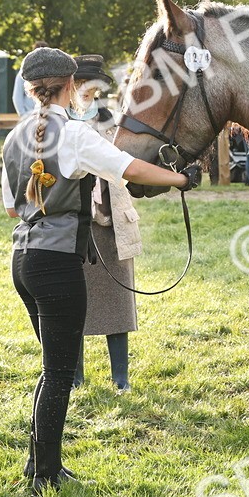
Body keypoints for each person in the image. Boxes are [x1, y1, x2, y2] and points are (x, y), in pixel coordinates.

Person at [1, 47, 200, 494]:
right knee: (58, 371)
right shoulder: (73, 133)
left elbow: (13, 207)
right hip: (56, 267)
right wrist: (181, 179)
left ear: (33, 90)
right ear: (70, 86)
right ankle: (45, 474)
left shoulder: (15, 137)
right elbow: (128, 168)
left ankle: (41, 465)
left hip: (24, 261)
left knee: (52, 368)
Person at [67, 55, 140, 392]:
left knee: (118, 302)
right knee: (71, 306)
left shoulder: (114, 122)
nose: (89, 92)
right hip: (73, 225)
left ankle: (120, 379)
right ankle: (75, 377)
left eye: (95, 86)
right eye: (83, 85)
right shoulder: (58, 124)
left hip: (111, 224)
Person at [12, 40, 50, 117]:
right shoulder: (23, 73)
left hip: (47, 116)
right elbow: (17, 97)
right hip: (29, 117)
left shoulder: (52, 73)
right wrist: (23, 115)